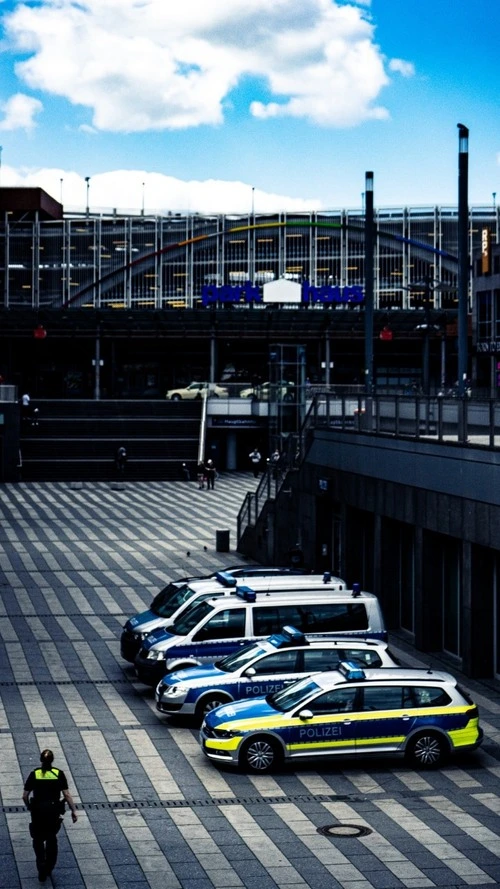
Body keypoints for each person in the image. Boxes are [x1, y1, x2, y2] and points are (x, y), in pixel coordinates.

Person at [23, 748, 78, 882]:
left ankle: (40, 862)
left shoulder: (34, 773)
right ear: (52, 760)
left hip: (37, 810)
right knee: (51, 838)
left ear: (41, 760)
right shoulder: (58, 773)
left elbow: (24, 796)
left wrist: (30, 807)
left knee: (37, 838)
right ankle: (48, 866)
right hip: (53, 810)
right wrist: (73, 811)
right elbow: (66, 794)